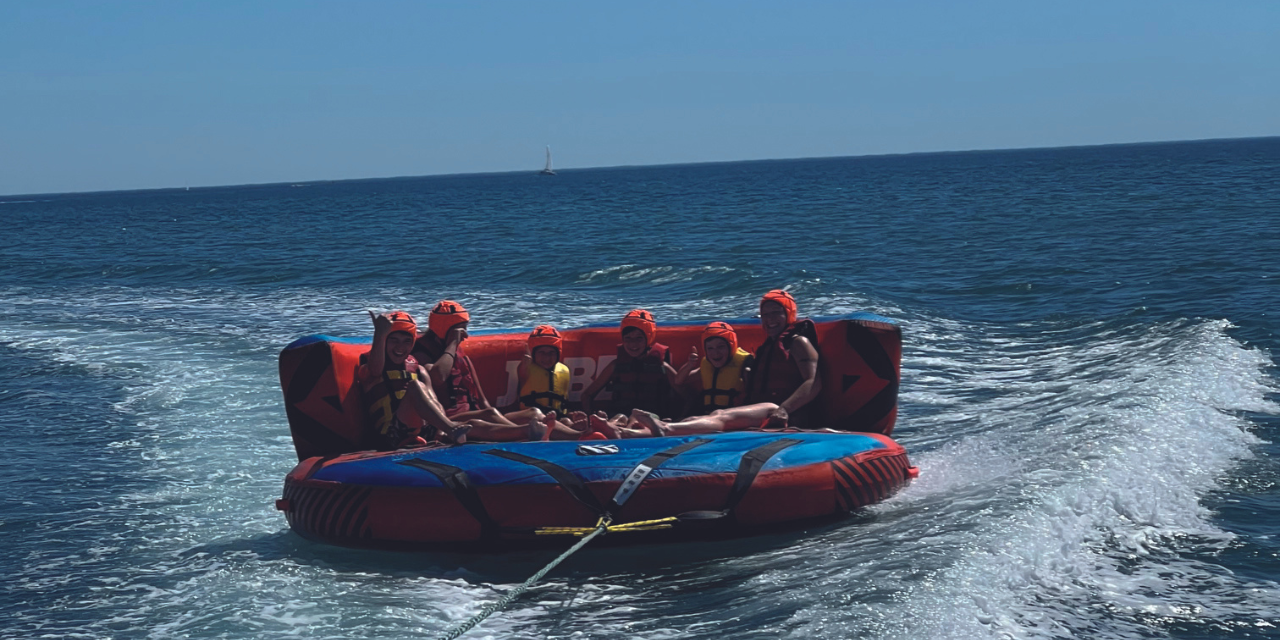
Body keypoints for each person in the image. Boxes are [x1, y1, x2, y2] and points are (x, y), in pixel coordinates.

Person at [412, 300, 547, 441]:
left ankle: (570, 434)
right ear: (447, 331)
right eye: (461, 331)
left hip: (476, 412)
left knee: (533, 413)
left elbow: (482, 400)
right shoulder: (422, 355)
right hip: (447, 419)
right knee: (487, 416)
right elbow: (438, 377)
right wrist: (452, 342)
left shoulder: (461, 355)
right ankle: (528, 435)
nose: (465, 336)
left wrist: (493, 414)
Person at [357, 310, 470, 450]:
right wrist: (380, 333)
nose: (400, 347)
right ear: (384, 341)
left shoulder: (418, 369)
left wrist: (439, 431)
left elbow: (434, 402)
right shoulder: (368, 371)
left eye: (407, 341)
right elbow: (375, 370)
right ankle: (450, 429)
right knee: (415, 386)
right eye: (393, 340)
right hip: (392, 435)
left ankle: (505, 435)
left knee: (479, 422)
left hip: (424, 430)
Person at [580, 309, 679, 419]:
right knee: (619, 418)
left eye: (639, 338)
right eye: (628, 338)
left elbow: (687, 396)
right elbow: (587, 395)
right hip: (620, 417)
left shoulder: (663, 367)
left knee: (636, 420)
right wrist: (590, 416)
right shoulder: (615, 366)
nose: (633, 343)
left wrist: (678, 418)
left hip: (652, 419)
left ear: (648, 338)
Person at [744, 290, 822, 428]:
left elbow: (814, 382)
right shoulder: (765, 349)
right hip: (764, 413)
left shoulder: (798, 343)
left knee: (721, 415)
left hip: (788, 416)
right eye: (765, 315)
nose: (770, 319)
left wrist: (784, 409)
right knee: (717, 414)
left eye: (776, 313)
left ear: (789, 314)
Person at [674, 321, 755, 415]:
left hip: (734, 417)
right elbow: (678, 381)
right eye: (710, 348)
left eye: (721, 347)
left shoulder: (744, 365)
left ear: (731, 346)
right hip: (709, 416)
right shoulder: (707, 366)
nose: (715, 353)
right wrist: (689, 365)